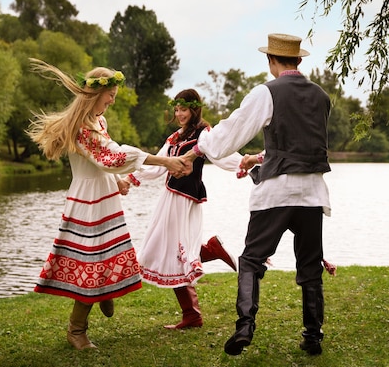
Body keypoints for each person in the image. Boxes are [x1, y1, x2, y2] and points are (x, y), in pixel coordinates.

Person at [182, 33, 332, 356]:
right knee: (309, 265)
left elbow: (231, 132)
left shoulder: (267, 93)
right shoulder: (322, 97)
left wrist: (201, 146)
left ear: (270, 61)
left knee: (250, 259)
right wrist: (260, 157)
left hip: (277, 191)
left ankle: (245, 326)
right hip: (312, 193)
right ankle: (313, 336)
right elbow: (299, 144)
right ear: (299, 61)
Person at [26, 58, 189, 350]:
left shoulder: (99, 121)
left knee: (108, 256)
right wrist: (164, 160)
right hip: (88, 202)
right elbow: (112, 155)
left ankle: (103, 291)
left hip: (104, 195)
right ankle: (77, 330)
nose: (112, 102)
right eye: (110, 96)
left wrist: (118, 182)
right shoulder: (80, 129)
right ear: (95, 93)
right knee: (90, 265)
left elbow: (105, 163)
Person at [123, 89, 240, 329]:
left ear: (194, 109)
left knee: (172, 254)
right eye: (176, 110)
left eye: (183, 109)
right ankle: (193, 310)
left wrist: (247, 163)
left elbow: (222, 156)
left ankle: (194, 311)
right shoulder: (175, 138)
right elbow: (157, 166)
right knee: (170, 253)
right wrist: (130, 179)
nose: (179, 114)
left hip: (185, 199)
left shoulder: (205, 135)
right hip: (170, 197)